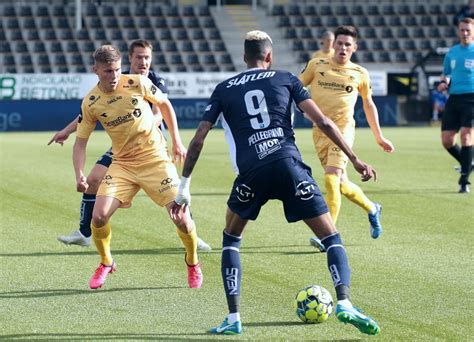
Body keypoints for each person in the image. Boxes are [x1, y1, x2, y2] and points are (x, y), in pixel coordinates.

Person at [171, 30, 380, 336]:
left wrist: (184, 185)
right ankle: (345, 302)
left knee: (231, 238)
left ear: (245, 58)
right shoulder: (285, 78)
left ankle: (233, 318)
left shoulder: (224, 88)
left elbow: (199, 138)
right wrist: (356, 158)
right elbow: (322, 121)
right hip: (288, 166)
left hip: (252, 173)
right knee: (331, 237)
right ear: (269, 57)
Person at [49, 39, 212, 251]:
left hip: (150, 145)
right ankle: (85, 232)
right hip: (123, 148)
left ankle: (192, 234)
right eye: (139, 57)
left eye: (147, 58)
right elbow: (87, 114)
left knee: (171, 195)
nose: (144, 62)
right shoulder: (118, 78)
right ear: (130, 59)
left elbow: (158, 113)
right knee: (93, 179)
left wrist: (167, 138)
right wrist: (65, 132)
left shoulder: (153, 81)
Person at [74, 44, 203, 289]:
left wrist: (176, 140)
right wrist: (79, 174)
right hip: (122, 164)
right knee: (99, 217)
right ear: (96, 70)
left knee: (181, 219)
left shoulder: (137, 83)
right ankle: (106, 262)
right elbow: (80, 143)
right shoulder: (91, 102)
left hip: (155, 159)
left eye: (116, 70)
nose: (113, 77)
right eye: (107, 72)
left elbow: (165, 105)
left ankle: (193, 261)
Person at [299, 26, 395, 251]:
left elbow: (368, 104)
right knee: (341, 184)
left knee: (331, 178)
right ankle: (372, 208)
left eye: (347, 44)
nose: (342, 47)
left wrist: (379, 136)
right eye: (339, 43)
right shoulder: (316, 65)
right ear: (333, 45)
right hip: (320, 132)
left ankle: (327, 235)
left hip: (343, 132)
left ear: (354, 48)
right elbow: (296, 86)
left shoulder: (360, 73)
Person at [438, 17, 474, 193]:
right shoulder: (452, 52)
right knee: (447, 140)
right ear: (458, 31)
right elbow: (446, 74)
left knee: (467, 137)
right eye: (462, 30)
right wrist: (443, 82)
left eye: (468, 30)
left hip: (472, 97)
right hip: (454, 98)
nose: (465, 33)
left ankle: (464, 180)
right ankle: (468, 163)